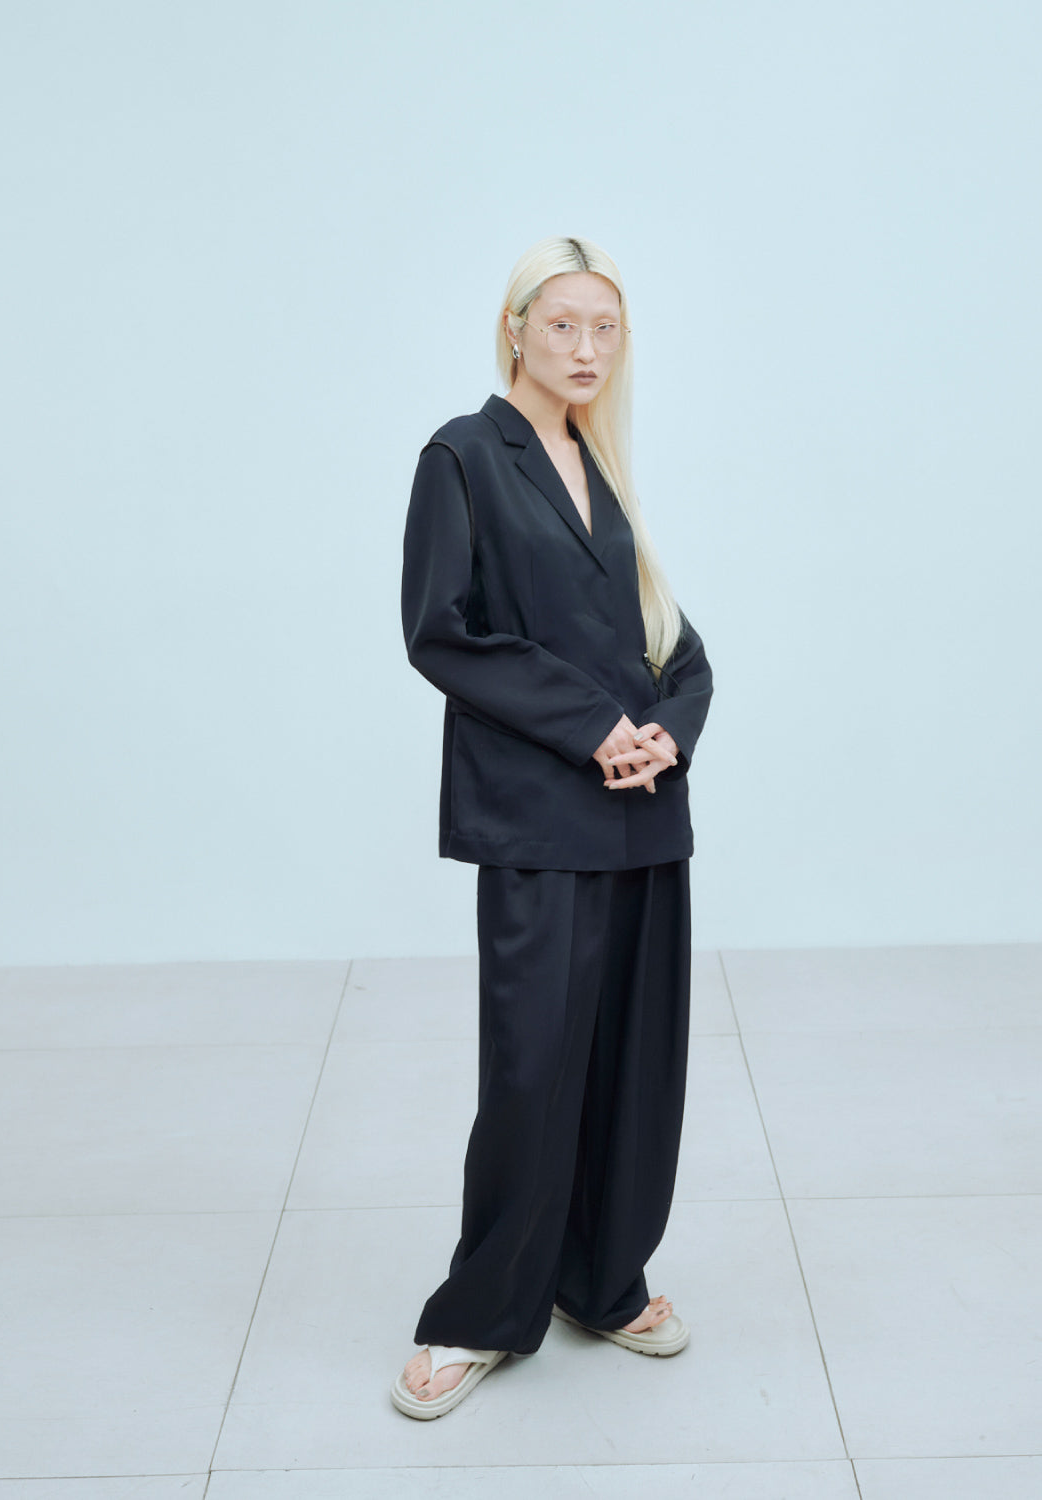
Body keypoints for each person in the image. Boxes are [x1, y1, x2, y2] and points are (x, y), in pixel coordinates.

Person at [392, 235, 713, 1419]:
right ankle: (481, 1312)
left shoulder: (600, 464)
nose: (586, 349)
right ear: (516, 328)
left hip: (642, 814)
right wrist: (593, 729)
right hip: (540, 814)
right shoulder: (463, 456)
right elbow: (443, 632)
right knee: (533, 1070)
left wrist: (669, 728)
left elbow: (666, 637)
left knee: (637, 1065)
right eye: (565, 324)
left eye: (606, 329)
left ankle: (602, 1278)